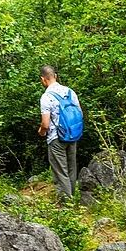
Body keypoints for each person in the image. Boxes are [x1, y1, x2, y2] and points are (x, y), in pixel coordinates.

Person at [38, 64, 82, 199]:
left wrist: (41, 132)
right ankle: (73, 199)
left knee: (60, 171)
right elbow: (80, 113)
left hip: (56, 138)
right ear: (55, 76)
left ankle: (66, 205)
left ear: (43, 79)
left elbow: (45, 124)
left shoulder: (46, 97)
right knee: (71, 168)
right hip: (73, 135)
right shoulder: (70, 92)